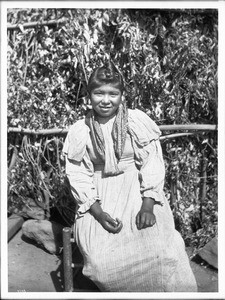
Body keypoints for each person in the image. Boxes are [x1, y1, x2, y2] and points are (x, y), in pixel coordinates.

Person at [63, 61, 197, 292]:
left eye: (113, 94)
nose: (106, 100)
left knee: (163, 250)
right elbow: (78, 174)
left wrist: (147, 206)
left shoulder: (135, 121)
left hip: (138, 191)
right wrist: (98, 212)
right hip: (98, 197)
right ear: (89, 95)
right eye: (99, 93)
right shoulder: (80, 130)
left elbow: (151, 163)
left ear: (122, 95)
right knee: (101, 263)